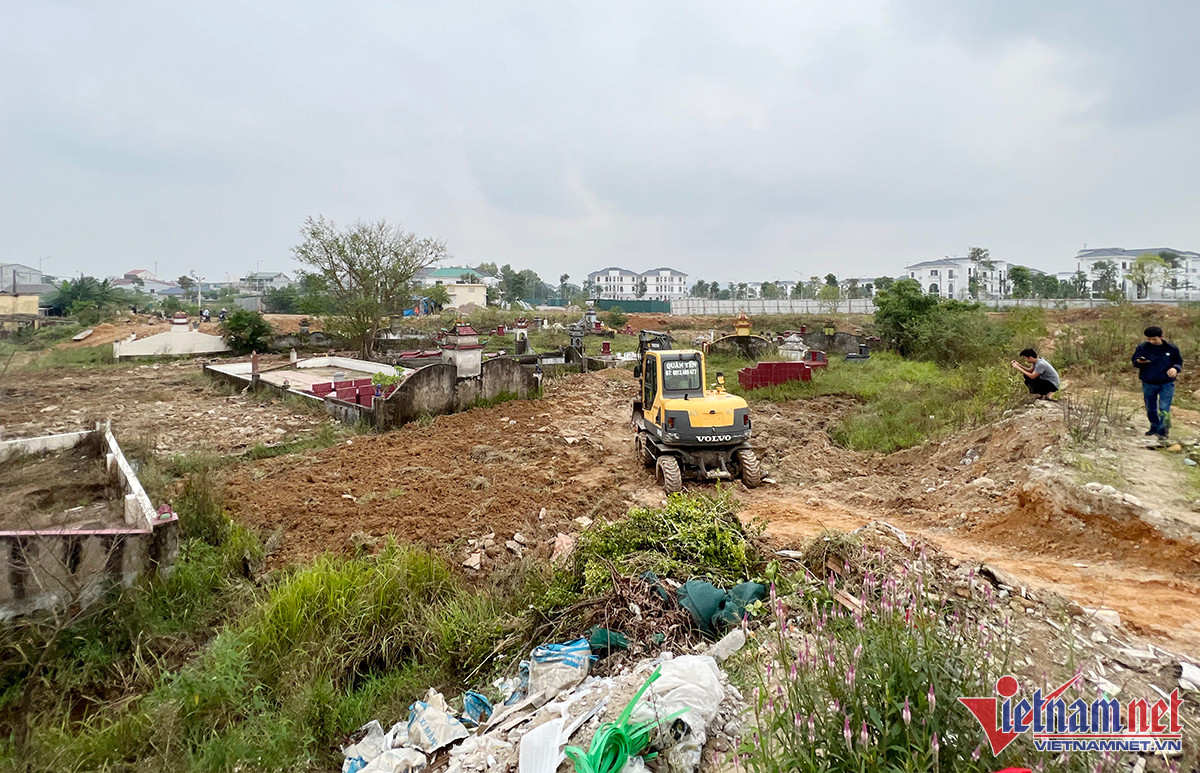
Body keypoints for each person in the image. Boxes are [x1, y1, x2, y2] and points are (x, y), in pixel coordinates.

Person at [1132, 325, 1183, 439]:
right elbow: (1134, 361)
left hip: (1167, 383)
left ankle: (1163, 431)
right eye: (1149, 339)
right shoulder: (1143, 347)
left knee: (1164, 407)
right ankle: (1154, 427)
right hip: (1148, 382)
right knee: (1150, 407)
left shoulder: (1171, 348)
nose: (1151, 341)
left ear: (1161, 337)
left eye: (1154, 339)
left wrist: (1175, 368)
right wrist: (1139, 362)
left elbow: (1178, 361)